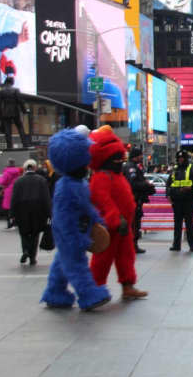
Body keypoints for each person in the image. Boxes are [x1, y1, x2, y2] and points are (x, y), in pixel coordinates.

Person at [41, 128, 112, 311]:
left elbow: (86, 208)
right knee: (76, 263)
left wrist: (96, 221)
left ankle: (55, 291)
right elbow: (63, 216)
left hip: (75, 231)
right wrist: (75, 237)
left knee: (62, 262)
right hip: (70, 233)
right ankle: (88, 294)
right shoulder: (66, 187)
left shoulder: (76, 183)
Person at [87, 127, 148, 300]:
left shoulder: (116, 174)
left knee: (126, 256)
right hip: (111, 226)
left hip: (124, 225)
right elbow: (103, 201)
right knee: (102, 259)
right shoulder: (102, 177)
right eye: (116, 157)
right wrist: (115, 219)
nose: (119, 160)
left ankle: (128, 285)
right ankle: (95, 289)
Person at [10, 159, 51, 265]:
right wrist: (49, 213)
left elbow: (14, 198)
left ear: (25, 168)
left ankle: (25, 251)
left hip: (21, 211)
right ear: (35, 168)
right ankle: (32, 257)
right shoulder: (41, 180)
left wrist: (12, 213)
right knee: (35, 234)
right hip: (38, 211)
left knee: (23, 233)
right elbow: (46, 198)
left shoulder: (18, 181)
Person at [167, 150, 193, 252]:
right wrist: (168, 195)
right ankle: (176, 245)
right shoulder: (174, 170)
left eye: (182, 158)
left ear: (186, 159)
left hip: (189, 200)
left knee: (189, 223)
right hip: (177, 201)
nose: (180, 160)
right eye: (179, 158)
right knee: (177, 223)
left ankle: (192, 245)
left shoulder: (192, 169)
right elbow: (169, 184)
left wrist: (191, 187)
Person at [124, 147, 156, 254]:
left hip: (136, 200)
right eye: (140, 155)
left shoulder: (134, 167)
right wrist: (146, 185)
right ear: (135, 156)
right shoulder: (131, 168)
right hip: (133, 200)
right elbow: (132, 184)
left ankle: (133, 245)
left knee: (136, 223)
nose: (141, 157)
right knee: (134, 224)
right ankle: (132, 245)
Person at [0, 76, 30, 149]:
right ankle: (25, 144)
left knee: (7, 130)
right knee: (20, 128)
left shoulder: (2, 91)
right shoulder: (16, 90)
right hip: (15, 111)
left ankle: (9, 146)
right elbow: (20, 101)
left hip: (5, 113)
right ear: (12, 82)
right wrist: (24, 111)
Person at [0, 158, 23, 228]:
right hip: (18, 190)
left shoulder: (6, 172)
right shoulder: (18, 171)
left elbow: (2, 182)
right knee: (16, 207)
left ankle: (9, 223)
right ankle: (16, 222)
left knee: (8, 208)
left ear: (8, 164)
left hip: (9, 191)